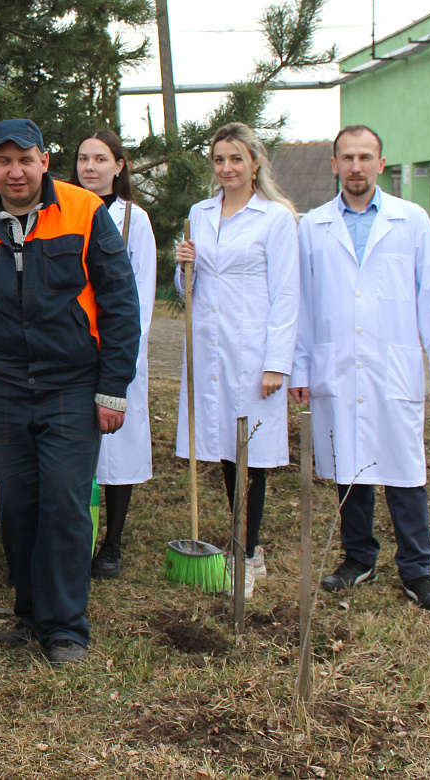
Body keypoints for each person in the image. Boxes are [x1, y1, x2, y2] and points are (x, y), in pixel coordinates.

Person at [0, 118, 139, 663]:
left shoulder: (84, 213)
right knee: (22, 507)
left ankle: (66, 627)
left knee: (65, 503)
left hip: (71, 385)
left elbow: (121, 305)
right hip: (4, 384)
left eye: (25, 159)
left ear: (44, 161)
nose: (15, 171)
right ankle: (29, 613)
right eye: (3, 161)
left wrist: (112, 389)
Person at [291, 125, 430, 610]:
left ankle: (417, 569)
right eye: (347, 157)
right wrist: (300, 367)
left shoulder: (410, 221)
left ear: (381, 164)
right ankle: (358, 557)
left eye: (365, 157)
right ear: (334, 164)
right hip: (337, 363)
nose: (356, 166)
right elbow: (302, 302)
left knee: (405, 469)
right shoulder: (314, 226)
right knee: (349, 462)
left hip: (393, 364)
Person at [174, 122, 298, 595]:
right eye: (219, 160)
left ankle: (246, 553)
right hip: (209, 347)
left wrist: (276, 363)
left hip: (252, 349)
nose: (227, 168)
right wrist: (184, 265)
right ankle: (243, 543)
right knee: (226, 446)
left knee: (252, 451)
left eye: (236, 159)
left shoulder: (276, 219)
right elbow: (189, 291)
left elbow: (287, 294)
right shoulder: (200, 214)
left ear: (255, 164)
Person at [75, 131, 156, 580]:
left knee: (118, 449)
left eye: (101, 159)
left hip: (116, 352)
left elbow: (139, 295)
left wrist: (116, 354)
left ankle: (113, 542)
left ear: (119, 166)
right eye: (84, 159)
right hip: (72, 350)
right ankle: (77, 537)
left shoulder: (133, 221)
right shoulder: (66, 211)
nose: (90, 167)